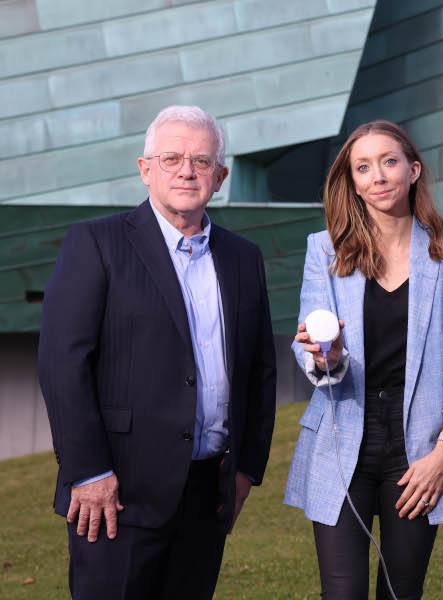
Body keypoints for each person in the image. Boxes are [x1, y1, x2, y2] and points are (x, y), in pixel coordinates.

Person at [38, 105, 277, 599]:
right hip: (115, 494)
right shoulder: (97, 244)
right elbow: (63, 364)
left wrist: (247, 470)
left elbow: (259, 372)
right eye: (171, 158)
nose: (187, 170)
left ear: (222, 176)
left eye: (202, 160)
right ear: (145, 170)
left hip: (206, 496)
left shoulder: (243, 258)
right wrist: (88, 471)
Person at [284, 120, 443, 599]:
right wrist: (325, 355)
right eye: (363, 167)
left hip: (418, 450)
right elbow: (311, 348)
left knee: (402, 592)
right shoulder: (325, 250)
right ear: (352, 182)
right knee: (342, 593)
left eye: (389, 161)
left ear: (413, 170)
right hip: (340, 437)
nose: (378, 175)